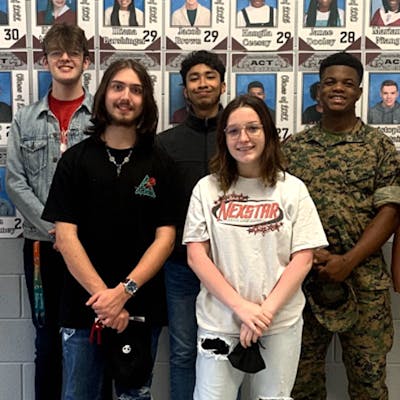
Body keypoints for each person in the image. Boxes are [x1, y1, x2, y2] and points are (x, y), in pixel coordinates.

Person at [42, 58, 177, 400]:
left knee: (134, 395)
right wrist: (106, 300)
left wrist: (125, 292)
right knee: (79, 395)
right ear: (103, 95)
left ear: (146, 101)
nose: (126, 96)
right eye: (118, 87)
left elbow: (166, 237)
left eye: (136, 90)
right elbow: (65, 235)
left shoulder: (161, 163)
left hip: (141, 304)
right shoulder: (75, 160)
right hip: (83, 304)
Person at [182, 94, 328, 400]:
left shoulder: (292, 189)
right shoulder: (206, 189)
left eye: (253, 128)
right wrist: (242, 308)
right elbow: (196, 256)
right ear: (223, 138)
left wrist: (264, 313)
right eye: (233, 131)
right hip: (220, 322)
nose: (243, 138)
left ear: (268, 134)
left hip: (278, 322)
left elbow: (302, 258)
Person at [283, 52, 400, 400]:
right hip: (304, 283)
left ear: (360, 92)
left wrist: (348, 261)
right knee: (300, 385)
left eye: (348, 83)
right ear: (318, 90)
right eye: (331, 82)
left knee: (368, 386)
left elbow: (391, 210)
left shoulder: (381, 148)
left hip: (365, 283)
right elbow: (280, 211)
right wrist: (309, 256)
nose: (338, 88)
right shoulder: (294, 149)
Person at [5, 23, 92, 400]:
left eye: (73, 52)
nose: (65, 58)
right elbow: (15, 183)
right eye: (57, 52)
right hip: (42, 248)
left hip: (91, 251)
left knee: (91, 336)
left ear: (86, 61)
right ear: (45, 61)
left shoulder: (99, 120)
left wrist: (75, 235)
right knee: (48, 338)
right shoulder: (25, 120)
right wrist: (56, 230)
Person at [156, 50, 226, 400]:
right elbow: (151, 200)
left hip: (232, 267)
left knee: (227, 352)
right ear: (185, 90)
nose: (203, 83)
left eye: (209, 76)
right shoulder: (165, 144)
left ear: (222, 84)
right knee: (184, 352)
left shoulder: (242, 137)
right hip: (181, 268)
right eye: (194, 78)